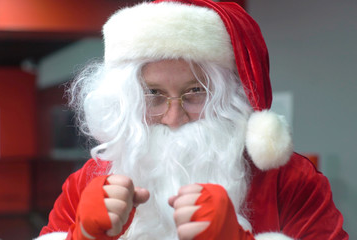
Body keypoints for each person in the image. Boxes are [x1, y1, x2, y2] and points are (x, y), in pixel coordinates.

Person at [36, 0, 348, 239]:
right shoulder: (89, 181)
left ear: (229, 97)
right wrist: (83, 235)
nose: (173, 118)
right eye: (153, 93)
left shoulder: (289, 180)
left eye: (196, 91)